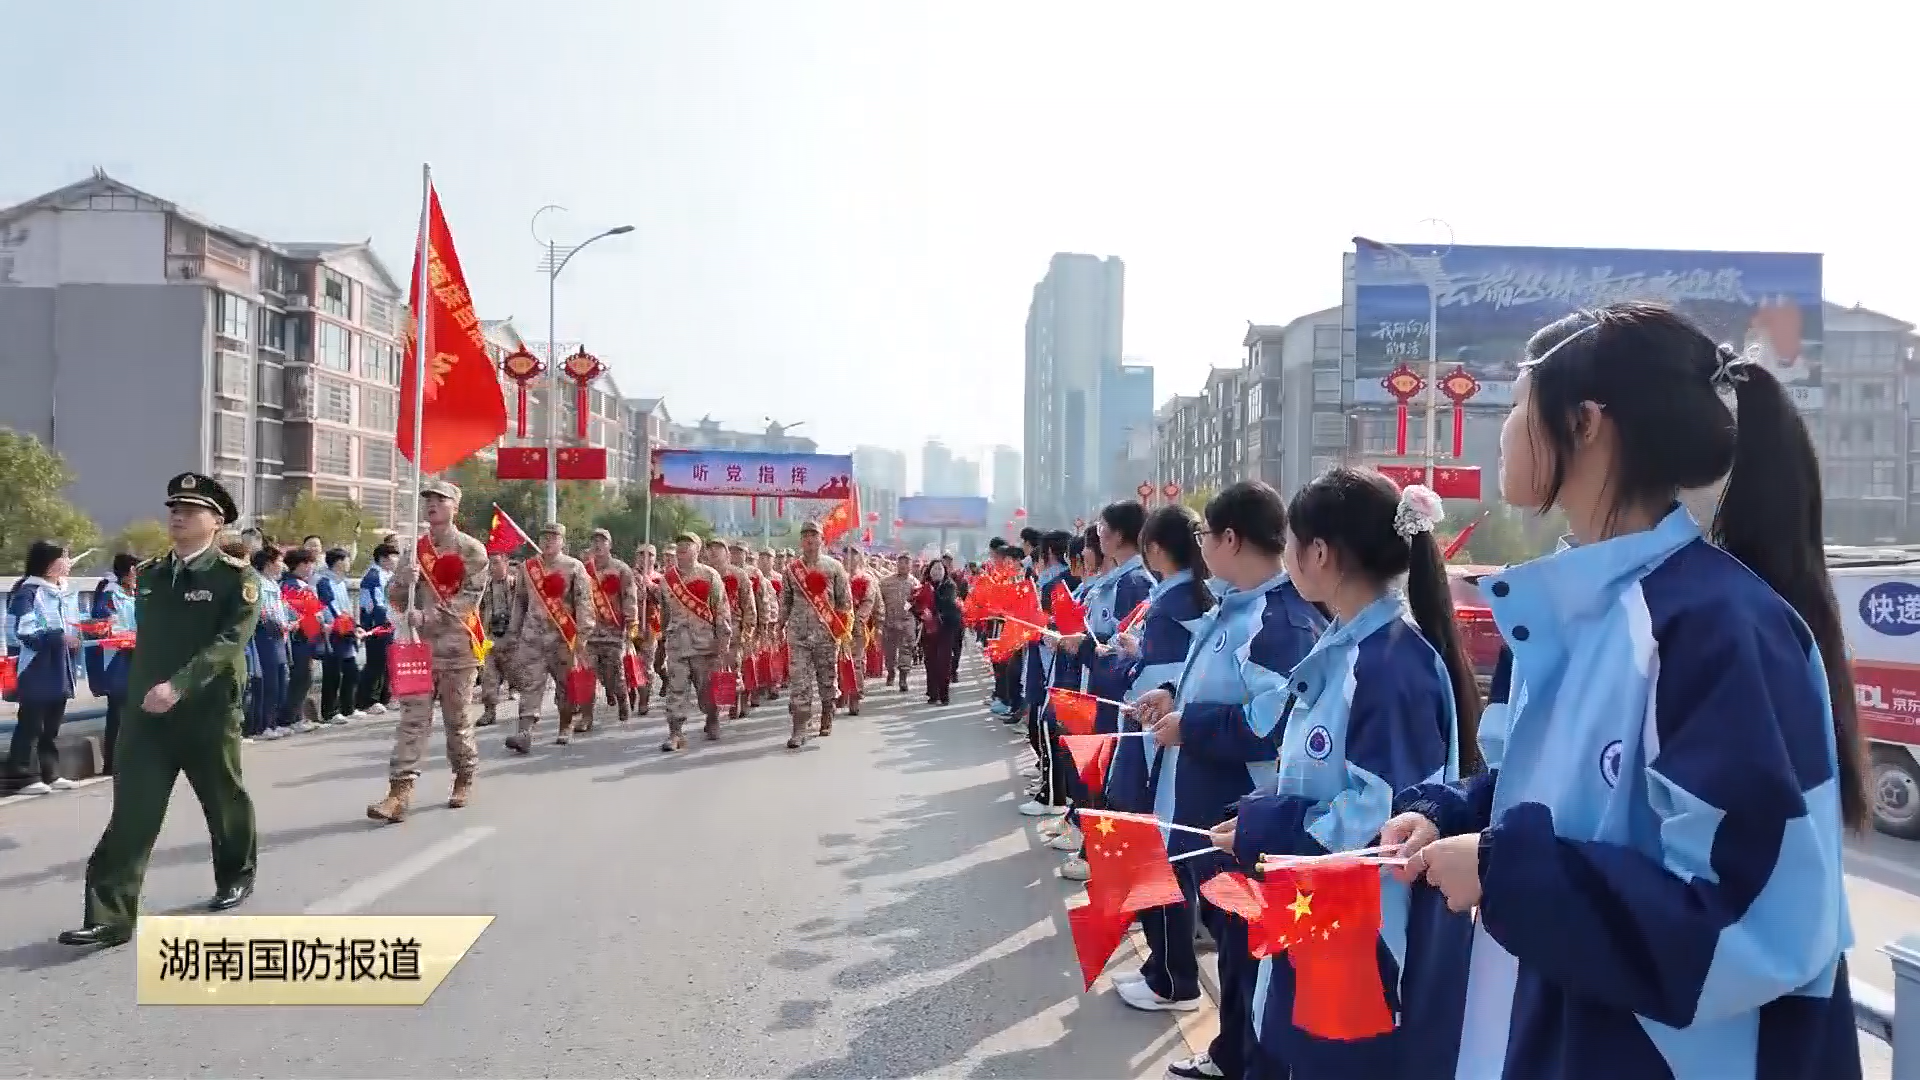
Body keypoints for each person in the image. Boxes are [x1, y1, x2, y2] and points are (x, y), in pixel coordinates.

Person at [1384, 302, 1867, 1080]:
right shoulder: (1559, 613)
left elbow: (1755, 920)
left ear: (1584, 424)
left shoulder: (1714, 628)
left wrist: (1506, 870)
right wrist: (1455, 815)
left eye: (1515, 406)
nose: (1503, 430)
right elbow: (1548, 798)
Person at [1220, 471, 1479, 1078]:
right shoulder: (1350, 648)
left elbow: (1379, 820)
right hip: (1321, 919)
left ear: (1319, 553)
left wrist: (1265, 824)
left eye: (1291, 544)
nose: (1287, 559)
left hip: (1365, 945)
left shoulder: (1387, 664)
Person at [1130, 481, 1327, 1080]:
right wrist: (1174, 698)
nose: (1202, 547)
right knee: (1235, 945)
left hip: (1240, 818)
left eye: (1205, 535)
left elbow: (1274, 725)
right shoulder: (1237, 608)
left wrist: (1193, 725)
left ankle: (1241, 1059)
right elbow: (1229, 697)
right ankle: (1231, 1053)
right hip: (1211, 812)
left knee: (1246, 950)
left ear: (1230, 539)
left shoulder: (1277, 621)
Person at [61, 472, 260, 948]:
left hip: (208, 712)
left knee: (223, 798)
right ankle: (110, 916)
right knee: (133, 812)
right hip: (147, 717)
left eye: (190, 510)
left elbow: (230, 641)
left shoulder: (236, 579)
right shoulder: (149, 576)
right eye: (173, 508)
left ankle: (236, 873)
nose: (177, 516)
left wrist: (181, 684)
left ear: (216, 522)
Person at [1105, 504, 1217, 1017]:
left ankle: (1174, 976)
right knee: (1166, 861)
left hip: (1163, 747)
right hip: (1168, 743)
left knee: (1166, 862)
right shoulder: (1183, 600)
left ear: (1153, 548)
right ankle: (1162, 968)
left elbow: (1164, 680)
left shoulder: (1178, 605)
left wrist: (1134, 666)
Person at [368, 478, 489, 820]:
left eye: (440, 499)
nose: (432, 505)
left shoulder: (471, 549)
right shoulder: (414, 550)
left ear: (455, 506)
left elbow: (470, 598)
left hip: (456, 650)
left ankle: (464, 776)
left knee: (457, 720)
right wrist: (404, 578)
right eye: (428, 500)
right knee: (412, 720)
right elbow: (393, 595)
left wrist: (430, 615)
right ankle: (398, 793)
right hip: (417, 649)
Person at [503, 522, 595, 753]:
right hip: (532, 638)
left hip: (563, 639)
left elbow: (584, 603)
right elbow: (520, 603)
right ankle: (524, 732)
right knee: (530, 684)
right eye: (544, 537)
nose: (547, 541)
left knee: (565, 686)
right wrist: (513, 633)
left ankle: (565, 726)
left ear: (562, 541)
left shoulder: (574, 567)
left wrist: (582, 637)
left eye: (553, 537)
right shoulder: (528, 568)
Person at [6, 540, 81, 794]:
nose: (68, 562)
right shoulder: (27, 593)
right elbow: (24, 631)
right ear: (47, 564)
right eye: (64, 557)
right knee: (31, 723)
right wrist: (60, 637)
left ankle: (51, 773)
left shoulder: (62, 591)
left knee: (52, 723)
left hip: (60, 664)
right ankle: (21, 776)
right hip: (36, 665)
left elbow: (71, 624)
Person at [780, 521, 853, 749]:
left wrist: (842, 631)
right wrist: (778, 625)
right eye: (806, 536)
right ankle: (800, 727)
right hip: (799, 635)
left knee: (826, 679)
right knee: (799, 682)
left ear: (822, 539)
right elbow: (786, 602)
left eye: (814, 535)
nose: (810, 540)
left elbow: (844, 602)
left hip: (826, 634)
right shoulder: (792, 569)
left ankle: (827, 713)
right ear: (801, 540)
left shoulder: (834, 567)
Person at [658, 532, 730, 751]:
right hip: (677, 644)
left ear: (697, 550)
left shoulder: (710, 576)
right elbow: (665, 613)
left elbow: (721, 611)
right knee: (676, 689)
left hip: (704, 644)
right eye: (679, 545)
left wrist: (723, 643)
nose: (681, 549)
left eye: (687, 545)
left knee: (705, 690)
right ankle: (675, 732)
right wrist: (663, 639)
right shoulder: (667, 580)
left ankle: (712, 718)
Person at [578, 528, 639, 733]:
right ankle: (587, 716)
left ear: (609, 545)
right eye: (594, 541)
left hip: (614, 632)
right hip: (589, 633)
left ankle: (623, 701)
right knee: (587, 675)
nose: (598, 545)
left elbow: (630, 598)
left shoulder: (621, 570)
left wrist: (631, 625)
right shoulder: (583, 570)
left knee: (615, 675)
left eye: (602, 541)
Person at [88, 552, 141, 775]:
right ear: (129, 571)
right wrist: (127, 636)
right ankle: (113, 761)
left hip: (134, 655)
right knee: (118, 710)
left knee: (131, 710)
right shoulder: (111, 595)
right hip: (117, 658)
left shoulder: (131, 593)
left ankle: (128, 758)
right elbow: (105, 625)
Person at [244, 546, 291, 742]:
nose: (282, 566)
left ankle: (273, 723)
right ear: (269, 563)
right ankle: (263, 725)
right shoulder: (257, 582)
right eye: (279, 561)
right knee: (268, 681)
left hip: (280, 635)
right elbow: (261, 612)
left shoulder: (274, 583)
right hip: (266, 635)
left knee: (281, 678)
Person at [314, 547, 362, 725]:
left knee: (351, 671)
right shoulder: (325, 582)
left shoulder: (342, 582)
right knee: (333, 673)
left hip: (346, 630)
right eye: (347, 560)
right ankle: (330, 711)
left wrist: (354, 625)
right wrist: (340, 625)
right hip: (334, 632)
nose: (349, 563)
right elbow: (330, 607)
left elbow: (347, 608)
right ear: (339, 562)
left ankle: (348, 707)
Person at [280, 548, 322, 732]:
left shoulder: (300, 584)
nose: (311, 567)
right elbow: (298, 613)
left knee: (304, 677)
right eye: (309, 563)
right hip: (299, 638)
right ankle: (291, 718)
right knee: (300, 677)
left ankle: (297, 717)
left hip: (306, 637)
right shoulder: (292, 585)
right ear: (301, 564)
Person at [356, 543, 399, 716]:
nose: (396, 560)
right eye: (394, 556)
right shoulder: (374, 576)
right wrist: (387, 619)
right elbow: (377, 603)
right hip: (376, 625)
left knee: (387, 661)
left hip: (388, 624)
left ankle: (384, 697)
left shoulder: (386, 574)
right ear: (383, 558)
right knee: (376, 662)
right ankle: (367, 700)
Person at [476, 552, 516, 727]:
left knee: (522, 677)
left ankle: (527, 714)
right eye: (490, 564)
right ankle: (489, 711)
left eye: (496, 563)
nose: (492, 567)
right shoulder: (485, 586)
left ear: (506, 563)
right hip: (491, 637)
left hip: (512, 637)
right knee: (488, 676)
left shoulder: (516, 585)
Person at [914, 558, 962, 705]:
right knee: (930, 661)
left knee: (943, 662)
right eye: (934, 569)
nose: (937, 572)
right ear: (929, 571)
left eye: (940, 569)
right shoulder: (922, 586)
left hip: (946, 628)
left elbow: (948, 604)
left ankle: (944, 694)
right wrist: (920, 613)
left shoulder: (950, 586)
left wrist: (932, 596)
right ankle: (932, 693)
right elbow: (915, 605)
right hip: (928, 629)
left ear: (945, 571)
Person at [844, 548, 881, 716]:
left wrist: (856, 620)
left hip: (856, 627)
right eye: (847, 553)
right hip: (837, 627)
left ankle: (854, 696)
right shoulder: (838, 576)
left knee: (855, 662)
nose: (849, 557)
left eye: (854, 554)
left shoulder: (867, 579)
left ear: (860, 557)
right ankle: (841, 691)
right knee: (838, 662)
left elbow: (869, 603)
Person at [879, 552, 919, 692]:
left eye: (906, 562)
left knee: (906, 649)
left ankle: (903, 677)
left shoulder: (915, 584)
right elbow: (879, 601)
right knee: (889, 652)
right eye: (900, 562)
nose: (903, 565)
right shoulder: (885, 582)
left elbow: (919, 603)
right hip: (889, 621)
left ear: (910, 565)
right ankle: (890, 671)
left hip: (907, 621)